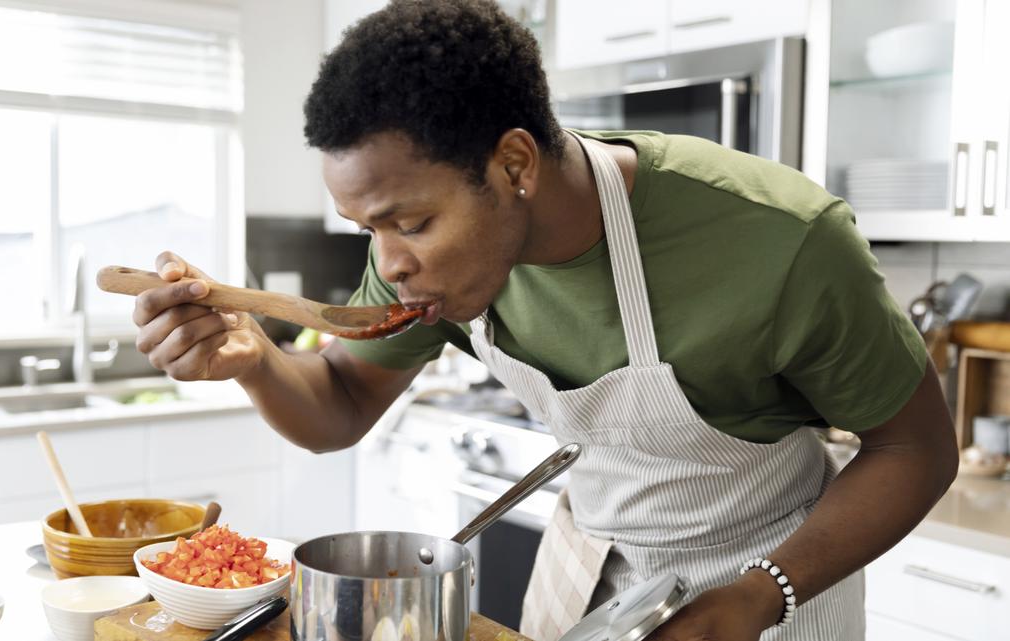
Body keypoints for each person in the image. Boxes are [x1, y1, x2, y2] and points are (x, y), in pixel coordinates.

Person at [130, 1, 958, 639]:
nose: (387, 264)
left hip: (771, 583)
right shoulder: (429, 268)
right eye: (367, 230)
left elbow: (917, 446)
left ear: (514, 164)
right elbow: (342, 402)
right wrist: (253, 360)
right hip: (590, 565)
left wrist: (758, 593)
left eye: (409, 224)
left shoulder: (781, 243)